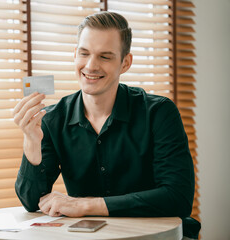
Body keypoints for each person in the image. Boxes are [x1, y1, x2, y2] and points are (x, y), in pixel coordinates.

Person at [12, 11, 195, 218]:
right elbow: (31, 202)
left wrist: (86, 206)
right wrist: (31, 143)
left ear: (125, 63)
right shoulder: (53, 119)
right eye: (84, 53)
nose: (90, 65)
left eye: (105, 56)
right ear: (74, 55)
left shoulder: (159, 113)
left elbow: (178, 198)